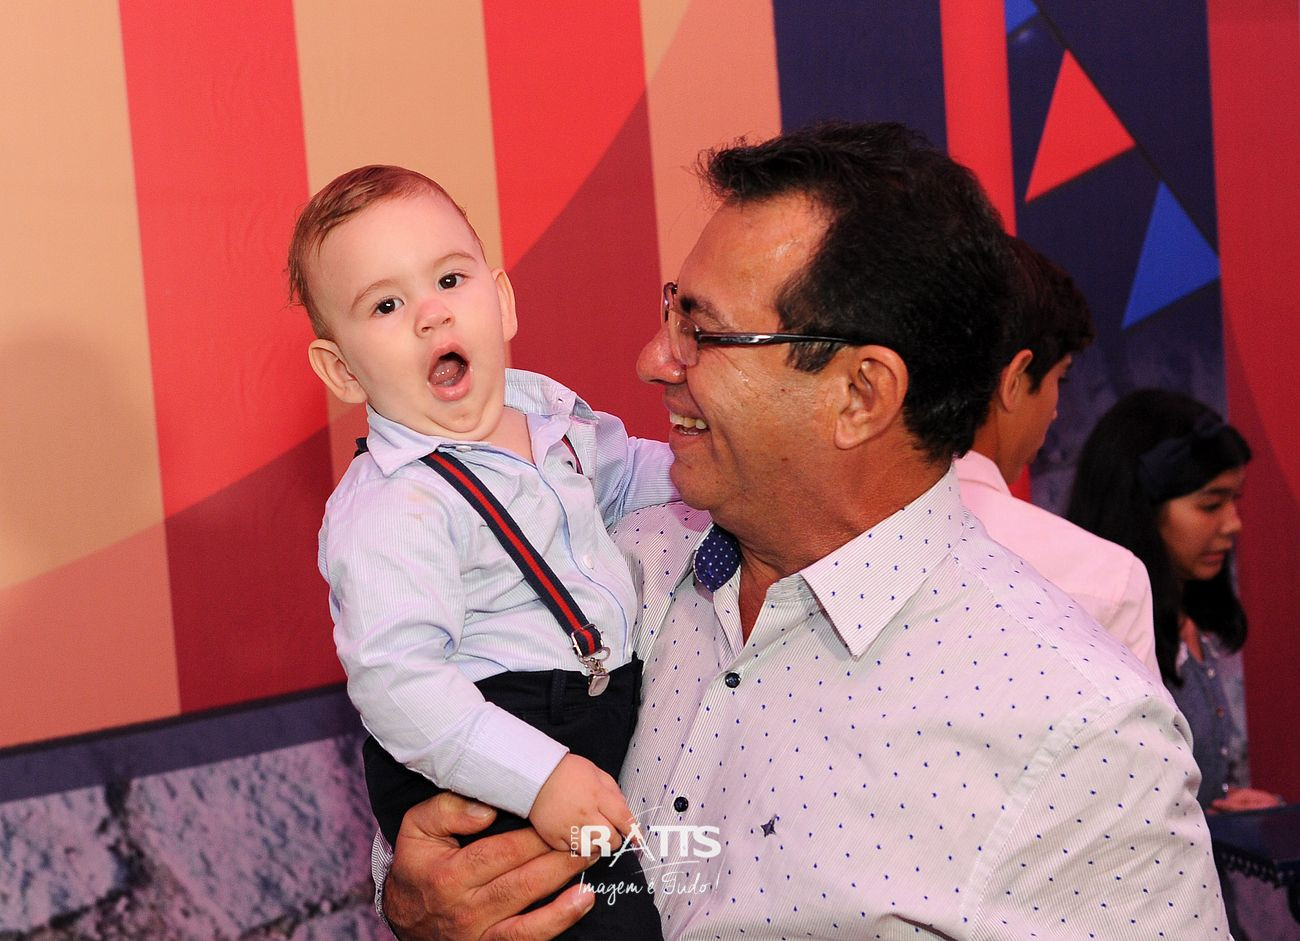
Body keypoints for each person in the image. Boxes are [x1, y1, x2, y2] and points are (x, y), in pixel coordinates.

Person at [375, 124, 1231, 939]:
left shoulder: (1081, 736)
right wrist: (411, 897)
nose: (654, 360)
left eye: (702, 330)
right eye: (673, 310)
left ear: (861, 394)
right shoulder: (615, 558)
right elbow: (441, 814)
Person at [288, 165, 673, 936]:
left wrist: (732, 465)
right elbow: (398, 680)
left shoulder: (548, 414)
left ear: (502, 300)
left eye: (449, 279)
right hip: (483, 756)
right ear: (341, 369)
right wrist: (538, 776)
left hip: (582, 720)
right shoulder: (394, 504)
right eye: (387, 304)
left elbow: (636, 474)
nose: (431, 313)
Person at [1067, 388, 1278, 813]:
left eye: (1234, 500)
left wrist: (1226, 810)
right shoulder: (1097, 639)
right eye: (1211, 504)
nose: (1233, 524)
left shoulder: (1194, 622)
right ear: (1143, 510)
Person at [955, 238, 1157, 673]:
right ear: (1014, 380)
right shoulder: (1106, 580)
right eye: (1059, 380)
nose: (1056, 410)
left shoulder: (830, 546)